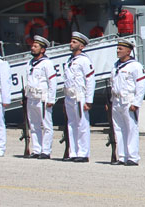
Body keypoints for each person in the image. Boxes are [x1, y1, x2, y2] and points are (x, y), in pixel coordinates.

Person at [109, 39, 145, 166]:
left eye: (121, 49)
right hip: (116, 100)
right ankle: (122, 156)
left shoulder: (135, 66)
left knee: (131, 129)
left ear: (128, 51)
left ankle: (133, 157)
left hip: (128, 101)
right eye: (118, 48)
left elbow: (141, 86)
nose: (118, 51)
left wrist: (136, 102)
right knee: (118, 129)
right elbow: (113, 83)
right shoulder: (115, 66)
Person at [23, 34, 57, 159]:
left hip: (43, 98)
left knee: (46, 125)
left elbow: (52, 82)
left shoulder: (46, 63)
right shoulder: (30, 63)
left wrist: (51, 99)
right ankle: (36, 149)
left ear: (42, 49)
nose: (32, 48)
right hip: (31, 97)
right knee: (33, 125)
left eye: (36, 46)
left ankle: (46, 151)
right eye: (32, 45)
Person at [63, 31, 95, 162]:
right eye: (71, 41)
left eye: (74, 42)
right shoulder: (69, 60)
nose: (71, 44)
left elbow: (90, 80)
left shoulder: (84, 61)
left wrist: (89, 100)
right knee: (71, 124)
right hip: (69, 96)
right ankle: (73, 152)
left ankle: (83, 153)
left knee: (82, 124)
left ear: (81, 46)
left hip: (80, 96)